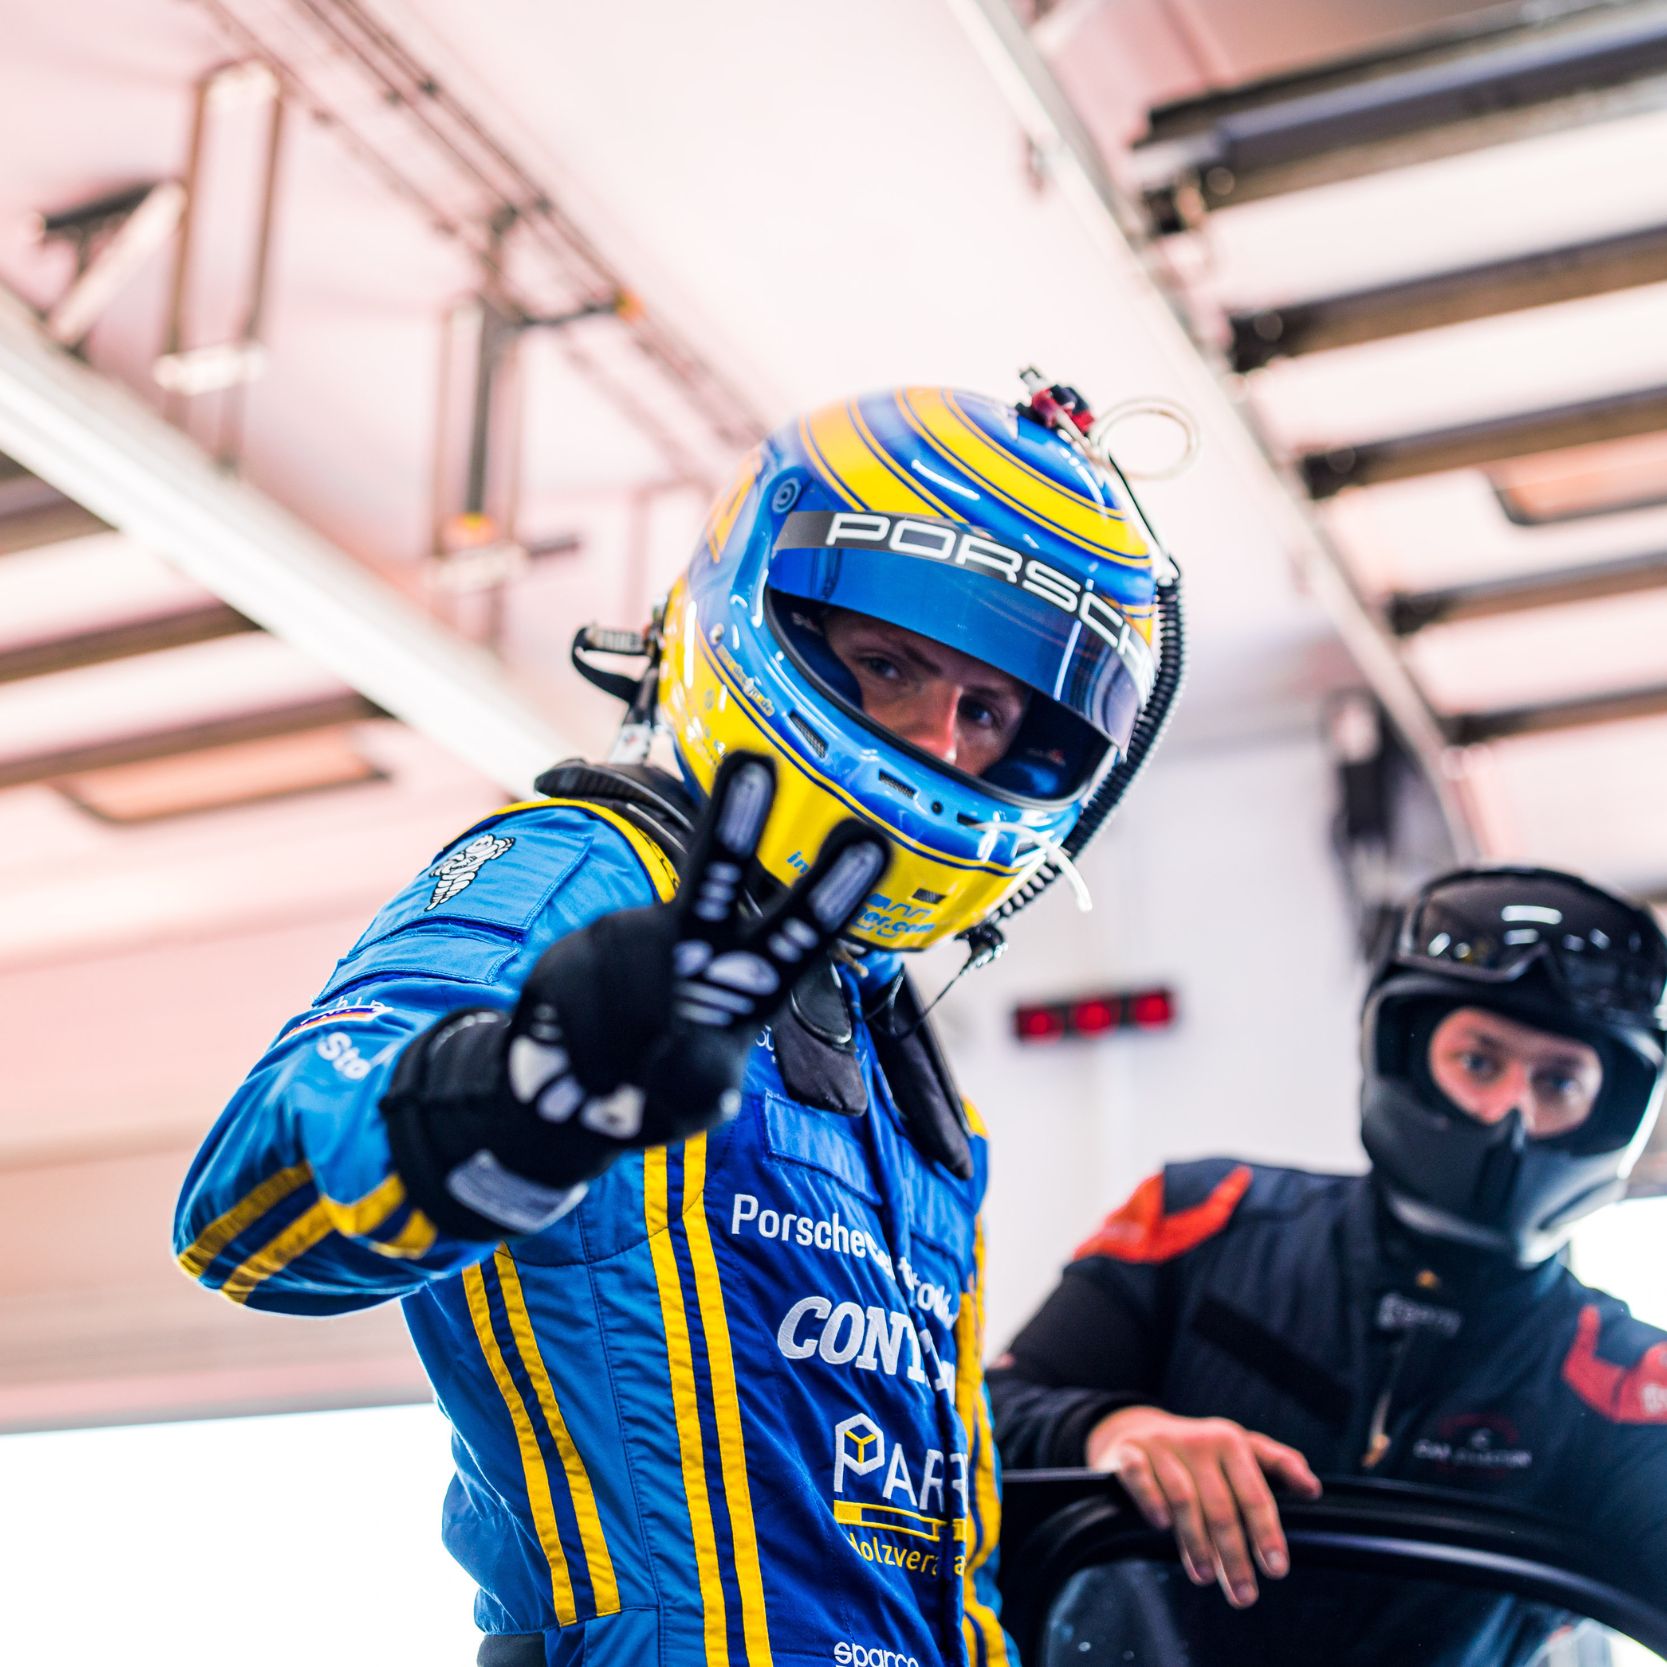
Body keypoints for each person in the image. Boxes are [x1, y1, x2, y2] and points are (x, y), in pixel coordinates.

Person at [173, 377, 1184, 1666]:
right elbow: (244, 1206)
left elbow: (925, 1535)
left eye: (985, 711)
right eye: (889, 666)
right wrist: (529, 1085)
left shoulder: (899, 1051)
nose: (940, 741)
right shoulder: (589, 871)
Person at [990, 865, 1667, 1659]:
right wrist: (1115, 1429)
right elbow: (980, 1418)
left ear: (1609, 1109)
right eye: (1478, 1062)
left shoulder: (1625, 1378)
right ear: (1405, 1053)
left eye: (1556, 1082)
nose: (1507, 1112)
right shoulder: (1199, 1215)